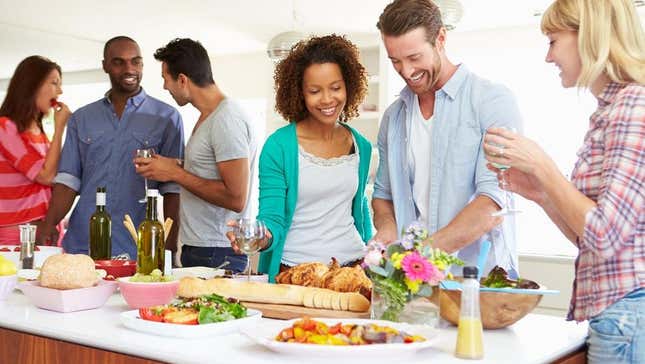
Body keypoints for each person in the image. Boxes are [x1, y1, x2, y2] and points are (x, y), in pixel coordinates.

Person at [484, 0, 644, 362]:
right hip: (617, 315)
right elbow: (586, 237)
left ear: (589, 36)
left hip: (629, 314)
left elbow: (605, 236)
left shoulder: (633, 107)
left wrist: (544, 167)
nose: (548, 57)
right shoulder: (609, 110)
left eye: (553, 41)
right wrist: (541, 194)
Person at [372, 0, 523, 275]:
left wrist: (417, 259)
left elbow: (492, 202)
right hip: (413, 286)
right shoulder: (394, 117)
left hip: (475, 284)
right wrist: (386, 230)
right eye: (395, 61)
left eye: (415, 57)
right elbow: (383, 196)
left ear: (440, 38)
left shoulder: (491, 101)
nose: (406, 71)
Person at [231, 34, 372, 282]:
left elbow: (359, 209)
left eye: (336, 88)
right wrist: (259, 237)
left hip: (352, 271)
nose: (328, 99)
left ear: (349, 86)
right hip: (295, 273)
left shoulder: (361, 145)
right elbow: (272, 217)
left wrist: (375, 254)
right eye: (315, 91)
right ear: (299, 93)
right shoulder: (279, 146)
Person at [38, 36, 184, 260]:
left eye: (136, 62)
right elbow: (68, 182)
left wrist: (169, 245)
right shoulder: (82, 119)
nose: (129, 69)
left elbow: (173, 189)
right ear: (105, 65)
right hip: (83, 243)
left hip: (139, 246)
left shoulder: (167, 117)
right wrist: (48, 225)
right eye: (119, 62)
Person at [135, 38, 257, 272]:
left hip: (217, 250)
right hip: (201, 247)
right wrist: (174, 164)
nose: (164, 87)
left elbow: (236, 197)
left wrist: (175, 173)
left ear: (182, 80)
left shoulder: (226, 119)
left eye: (165, 78)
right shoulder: (210, 116)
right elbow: (211, 166)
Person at [0, 56, 70, 244]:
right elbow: (45, 176)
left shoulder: (38, 132)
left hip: (43, 231)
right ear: (32, 85)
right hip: (16, 233)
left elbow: (55, 177)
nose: (60, 91)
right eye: (54, 83)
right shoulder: (5, 128)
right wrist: (60, 128)